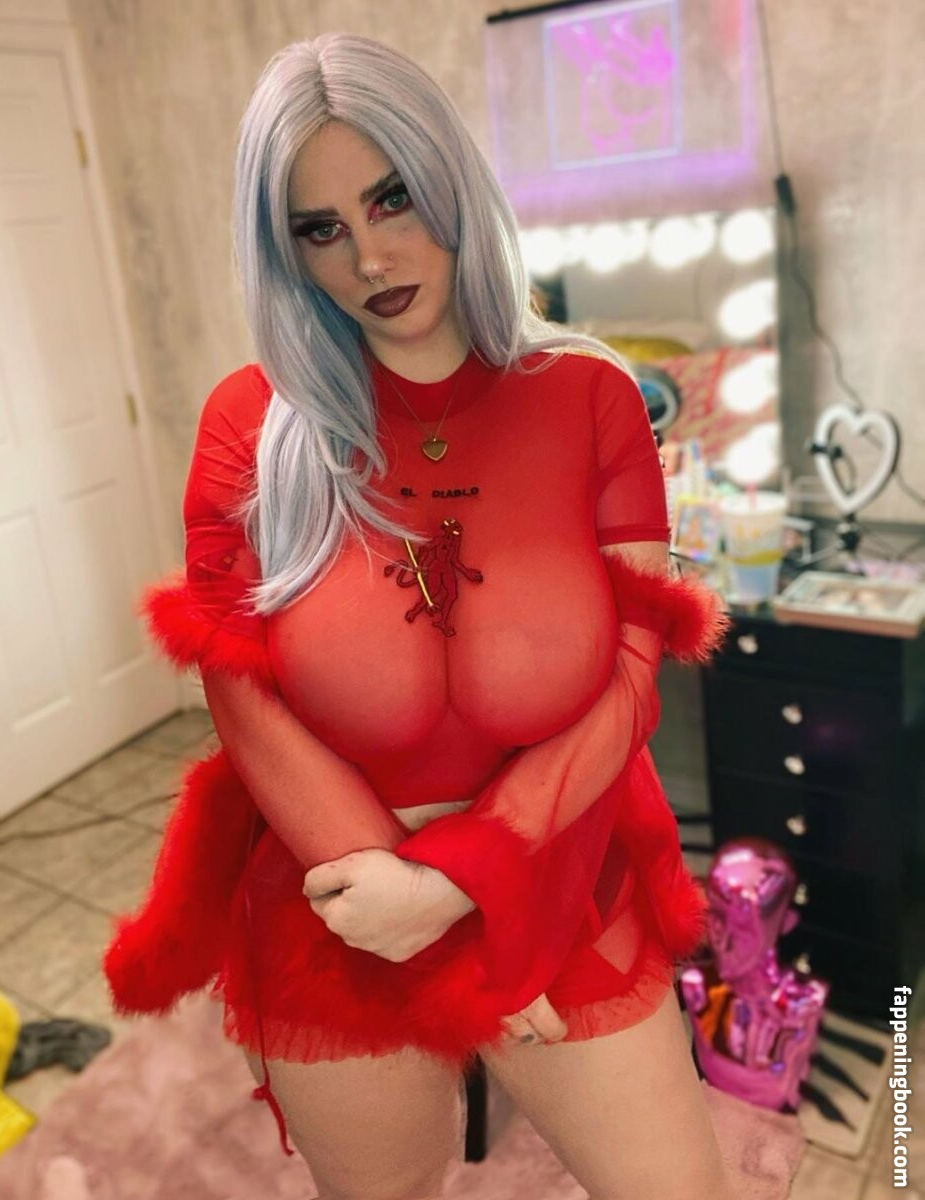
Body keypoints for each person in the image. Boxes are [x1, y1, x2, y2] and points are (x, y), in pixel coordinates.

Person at [104, 32, 734, 1200]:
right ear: (282, 250)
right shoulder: (251, 424)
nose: (368, 256)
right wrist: (398, 899)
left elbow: (627, 674)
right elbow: (239, 691)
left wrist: (465, 885)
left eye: (391, 196)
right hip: (342, 904)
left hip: (557, 878)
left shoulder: (593, 397)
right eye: (319, 227)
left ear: (450, 178)